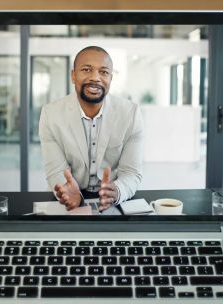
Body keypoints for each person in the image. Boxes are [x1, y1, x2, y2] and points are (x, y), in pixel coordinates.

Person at [38, 46, 144, 211]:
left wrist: (117, 191)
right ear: (73, 76)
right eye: (86, 69)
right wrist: (71, 195)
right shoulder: (51, 114)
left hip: (113, 199)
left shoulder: (131, 114)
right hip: (68, 199)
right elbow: (56, 170)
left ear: (110, 78)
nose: (95, 78)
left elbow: (131, 172)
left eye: (104, 72)